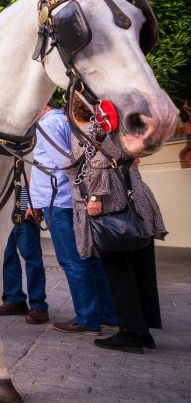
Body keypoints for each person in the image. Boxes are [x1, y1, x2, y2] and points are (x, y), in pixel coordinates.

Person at [68, 95, 167, 353]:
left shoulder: (87, 131)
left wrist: (94, 197)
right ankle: (142, 330)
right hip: (135, 201)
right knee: (140, 270)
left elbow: (96, 164)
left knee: (119, 272)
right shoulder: (112, 128)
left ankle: (131, 333)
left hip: (113, 207)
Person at [30, 98, 117, 336]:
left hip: (58, 200)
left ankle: (87, 318)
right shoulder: (61, 120)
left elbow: (64, 161)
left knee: (72, 260)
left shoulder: (47, 125)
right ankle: (107, 314)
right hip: (67, 198)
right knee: (88, 256)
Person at [0, 184, 50, 324]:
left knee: (32, 257)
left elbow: (32, 176)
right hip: (3, 209)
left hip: (23, 206)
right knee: (7, 255)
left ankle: (38, 305)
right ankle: (14, 300)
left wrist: (33, 204)